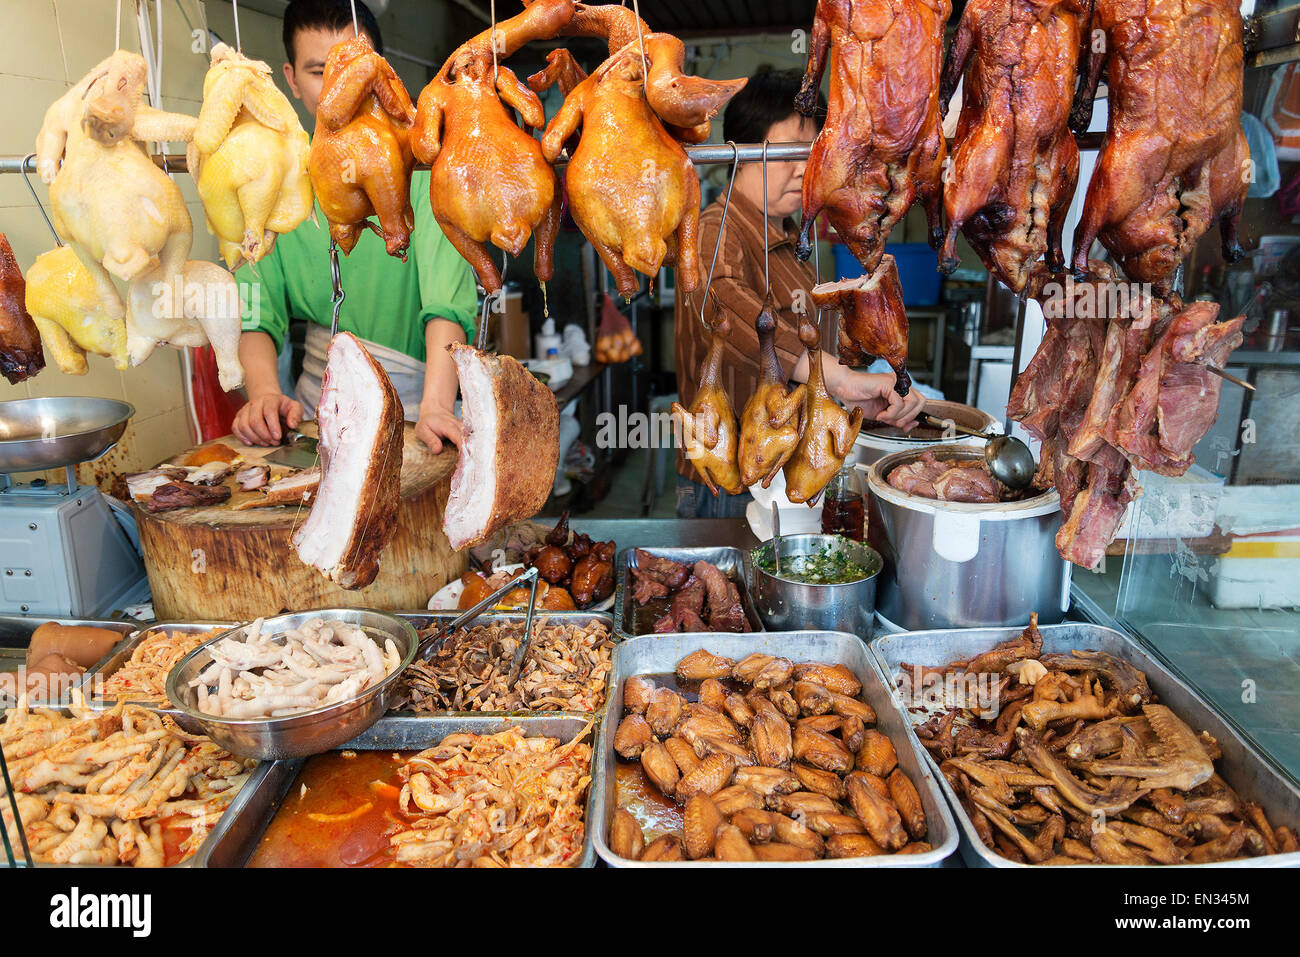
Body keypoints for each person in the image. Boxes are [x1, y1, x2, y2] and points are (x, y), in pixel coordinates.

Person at [673, 66, 926, 519]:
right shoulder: (715, 228)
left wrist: (846, 393)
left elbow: (808, 344)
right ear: (743, 151)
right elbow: (725, 308)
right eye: (786, 151)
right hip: (728, 485)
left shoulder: (794, 241)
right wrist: (839, 377)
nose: (801, 168)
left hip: (785, 471)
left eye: (808, 154)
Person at [232, 0, 478, 454]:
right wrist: (265, 394)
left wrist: (438, 405)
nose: (338, 89)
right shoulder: (274, 178)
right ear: (291, 79)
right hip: (315, 413)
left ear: (378, 73)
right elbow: (255, 311)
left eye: (353, 70)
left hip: (418, 410)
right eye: (319, 71)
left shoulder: (420, 168)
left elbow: (447, 302)